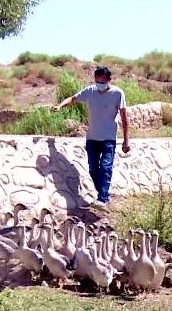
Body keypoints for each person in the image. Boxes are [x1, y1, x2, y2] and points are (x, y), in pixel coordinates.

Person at [53, 66, 131, 209]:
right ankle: (104, 194)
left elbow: (125, 118)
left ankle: (102, 199)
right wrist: (60, 106)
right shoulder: (91, 91)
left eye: (102, 81)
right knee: (93, 169)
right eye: (96, 81)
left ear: (109, 80)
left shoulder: (117, 93)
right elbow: (72, 98)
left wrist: (126, 140)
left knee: (106, 167)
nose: (99, 84)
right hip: (92, 138)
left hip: (109, 138)